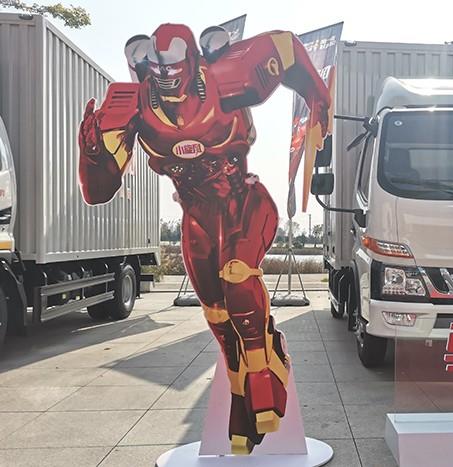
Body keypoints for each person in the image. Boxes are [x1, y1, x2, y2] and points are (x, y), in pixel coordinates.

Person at [77, 23, 330, 455]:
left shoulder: (230, 75)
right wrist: (93, 153)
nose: (166, 77)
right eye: (156, 67)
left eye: (173, 66)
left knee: (238, 277)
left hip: (242, 202)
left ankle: (265, 370)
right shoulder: (129, 104)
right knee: (216, 315)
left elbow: (286, 49)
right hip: (196, 218)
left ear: (193, 60)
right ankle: (242, 397)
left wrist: (319, 103)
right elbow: (98, 192)